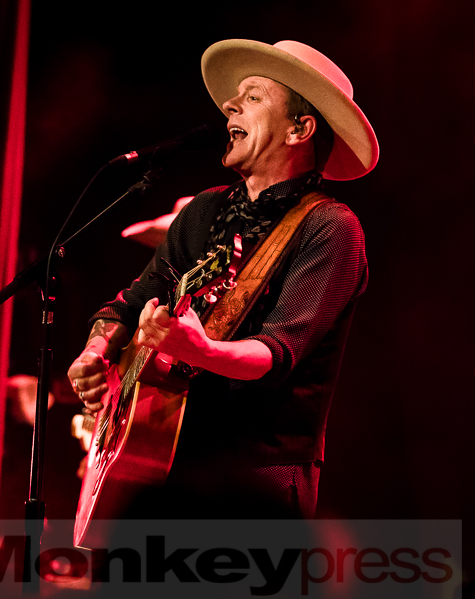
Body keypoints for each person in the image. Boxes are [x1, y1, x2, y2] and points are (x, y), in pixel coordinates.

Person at [66, 39, 378, 519]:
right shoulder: (205, 209)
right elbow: (130, 303)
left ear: (300, 128)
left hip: (259, 479)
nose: (230, 104)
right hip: (172, 469)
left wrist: (201, 351)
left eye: (253, 96)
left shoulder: (330, 227)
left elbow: (278, 351)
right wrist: (96, 352)